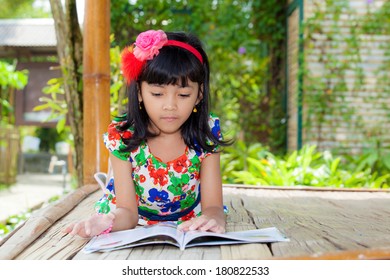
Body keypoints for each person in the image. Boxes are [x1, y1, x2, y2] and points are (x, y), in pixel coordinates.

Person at [64, 29, 231, 238]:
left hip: (190, 220)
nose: (170, 105)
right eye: (157, 94)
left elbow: (213, 206)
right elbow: (127, 213)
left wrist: (213, 219)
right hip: (132, 219)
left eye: (184, 94)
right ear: (140, 93)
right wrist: (107, 222)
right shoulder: (123, 136)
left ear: (199, 95)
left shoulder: (206, 132)